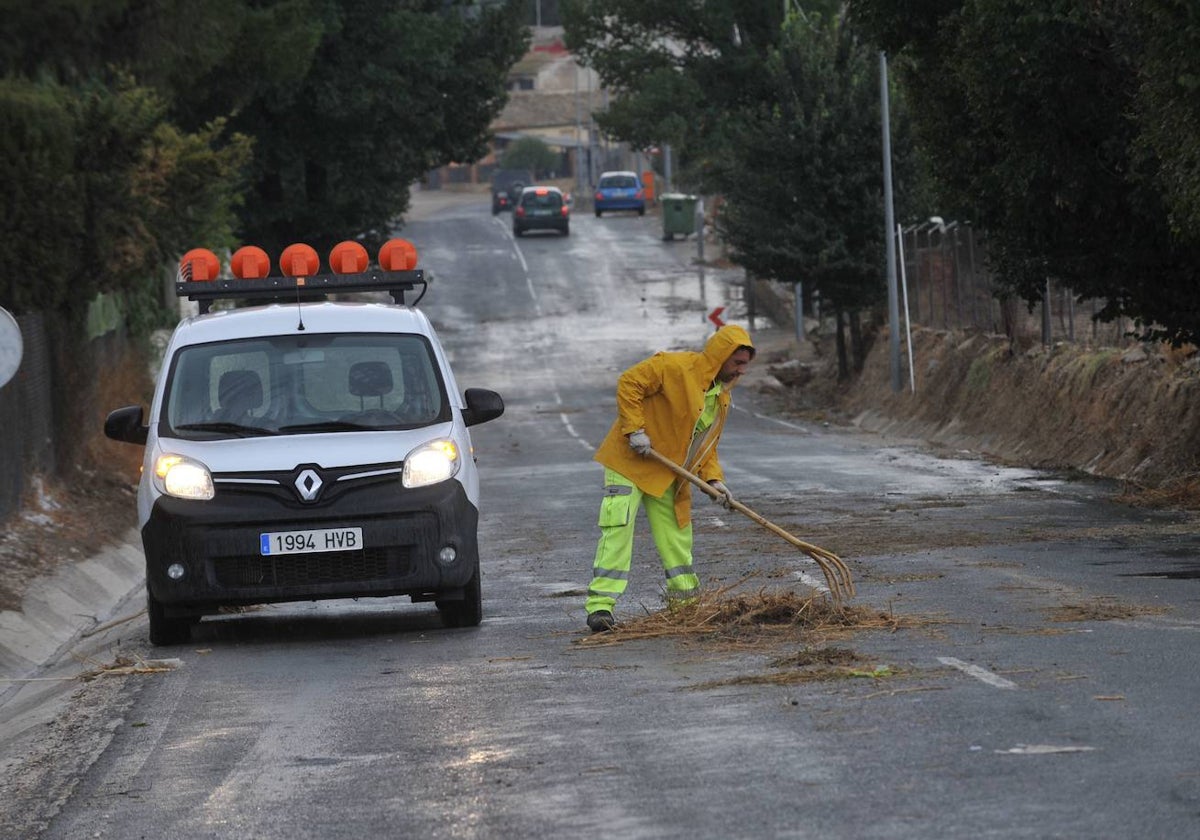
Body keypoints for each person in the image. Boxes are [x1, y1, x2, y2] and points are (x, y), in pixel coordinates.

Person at [584, 325, 756, 632]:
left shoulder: (720, 399)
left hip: (669, 472)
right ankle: (600, 607)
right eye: (738, 363)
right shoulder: (674, 367)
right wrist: (635, 430)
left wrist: (714, 480)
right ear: (720, 356)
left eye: (745, 364)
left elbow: (705, 446)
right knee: (618, 528)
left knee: (677, 536)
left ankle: (686, 604)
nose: (742, 370)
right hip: (631, 461)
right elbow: (629, 383)